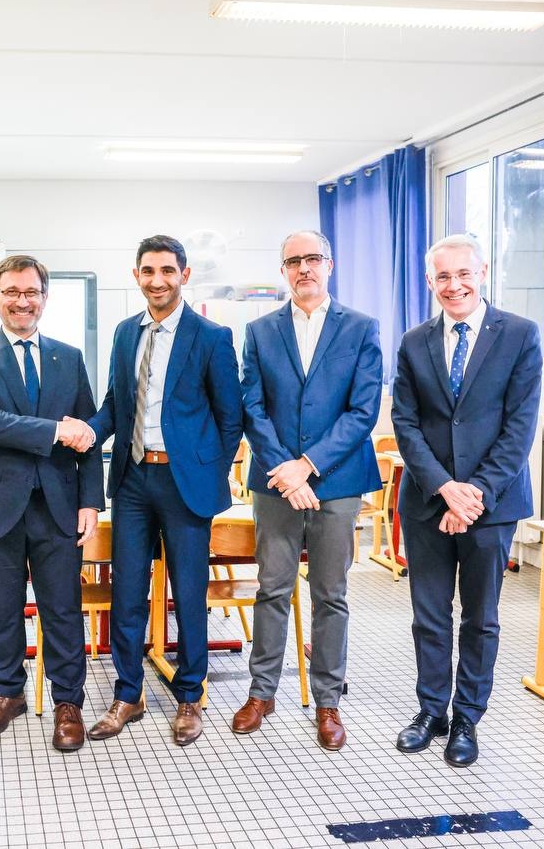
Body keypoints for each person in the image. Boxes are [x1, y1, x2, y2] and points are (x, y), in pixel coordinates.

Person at [391, 233, 542, 767]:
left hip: (490, 505)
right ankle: (431, 710)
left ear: (482, 273)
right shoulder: (414, 342)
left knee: (480, 617)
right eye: (443, 276)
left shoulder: (519, 335)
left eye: (463, 273)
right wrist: (444, 488)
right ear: (429, 281)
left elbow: (519, 427)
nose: (454, 285)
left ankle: (467, 719)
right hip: (427, 501)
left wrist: (472, 494)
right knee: (429, 615)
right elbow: (406, 423)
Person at [87, 234, 242, 747]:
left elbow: (230, 418)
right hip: (132, 479)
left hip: (184, 483)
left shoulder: (211, 337)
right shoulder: (124, 333)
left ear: (184, 275)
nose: (158, 281)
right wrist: (89, 431)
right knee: (127, 592)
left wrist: (208, 473)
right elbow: (115, 403)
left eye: (167, 271)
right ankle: (127, 694)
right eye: (148, 271)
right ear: (136, 275)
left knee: (189, 593)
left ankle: (190, 695)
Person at [233, 230, 383, 750]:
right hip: (276, 482)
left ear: (330, 264)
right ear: (283, 270)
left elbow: (363, 410)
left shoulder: (360, 328)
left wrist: (308, 466)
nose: (304, 268)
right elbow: (252, 406)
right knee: (272, 587)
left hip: (336, 481)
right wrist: (285, 469)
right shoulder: (260, 331)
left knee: (330, 593)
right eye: (293, 260)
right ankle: (262, 692)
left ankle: (328, 700)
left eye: (313, 258)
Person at [0, 254, 104, 752]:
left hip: (58, 505)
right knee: (1, 608)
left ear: (44, 297)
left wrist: (90, 500)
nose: (22, 301)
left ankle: (68, 702)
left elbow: (87, 435)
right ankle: (8, 693)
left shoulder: (68, 357)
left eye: (31, 292)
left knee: (63, 609)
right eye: (12, 292)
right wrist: (56, 431)